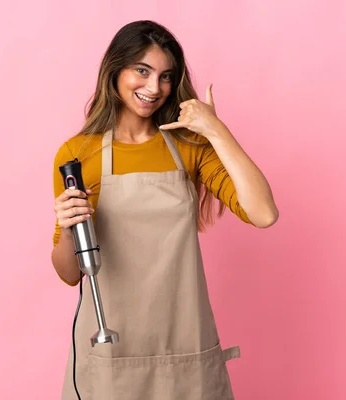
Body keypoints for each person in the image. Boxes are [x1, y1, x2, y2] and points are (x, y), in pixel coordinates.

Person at [52, 20, 278, 400]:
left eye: (166, 76)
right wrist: (67, 223)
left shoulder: (190, 147)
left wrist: (216, 130)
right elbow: (69, 274)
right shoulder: (78, 153)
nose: (154, 88)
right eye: (142, 70)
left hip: (184, 344)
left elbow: (263, 213)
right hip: (111, 345)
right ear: (115, 70)